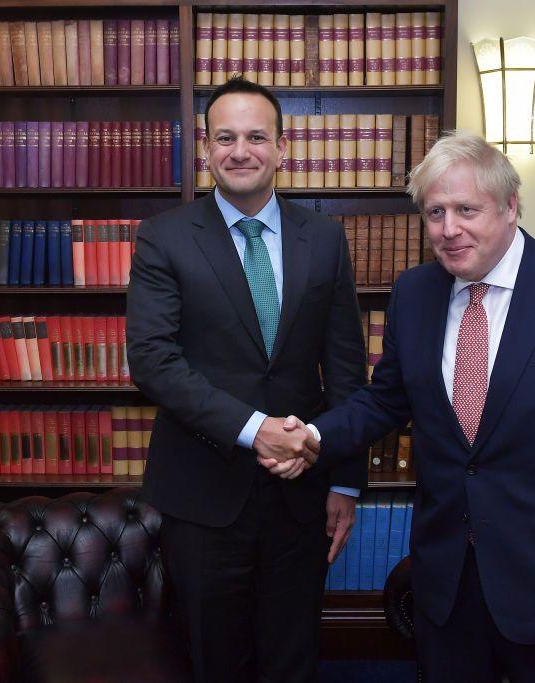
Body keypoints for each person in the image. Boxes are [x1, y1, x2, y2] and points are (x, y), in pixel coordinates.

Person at [266, 131, 535, 681]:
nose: (449, 229)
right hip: (448, 587)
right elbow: (386, 398)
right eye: (435, 212)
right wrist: (314, 438)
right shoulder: (415, 293)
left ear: (511, 206)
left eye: (467, 209)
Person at [126, 77, 365, 683]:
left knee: (293, 655)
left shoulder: (326, 238)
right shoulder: (165, 237)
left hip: (302, 492)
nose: (241, 151)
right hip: (203, 492)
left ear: (283, 148)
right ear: (205, 149)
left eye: (257, 136)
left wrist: (348, 483)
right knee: (213, 658)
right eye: (226, 137)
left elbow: (344, 366)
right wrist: (255, 430)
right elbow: (153, 360)